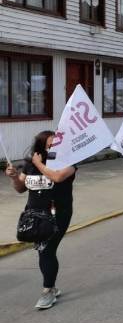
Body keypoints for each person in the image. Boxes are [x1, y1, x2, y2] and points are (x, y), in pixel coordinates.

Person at [5, 131, 76, 310]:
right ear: (41, 146)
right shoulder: (30, 164)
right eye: (50, 144)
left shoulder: (69, 162)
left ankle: (47, 291)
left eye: (56, 144)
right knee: (43, 251)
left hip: (58, 213)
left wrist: (39, 164)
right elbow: (20, 188)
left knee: (47, 249)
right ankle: (51, 285)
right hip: (35, 214)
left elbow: (58, 177)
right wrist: (14, 176)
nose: (53, 147)